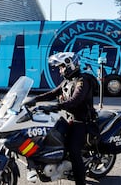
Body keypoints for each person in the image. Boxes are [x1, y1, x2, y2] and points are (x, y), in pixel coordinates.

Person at [24, 52, 96, 185]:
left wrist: (55, 107)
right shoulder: (67, 81)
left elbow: (75, 100)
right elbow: (53, 93)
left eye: (62, 67)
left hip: (81, 122)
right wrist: (34, 100)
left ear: (70, 65)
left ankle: (80, 182)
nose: (60, 70)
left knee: (73, 150)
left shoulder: (82, 81)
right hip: (69, 120)